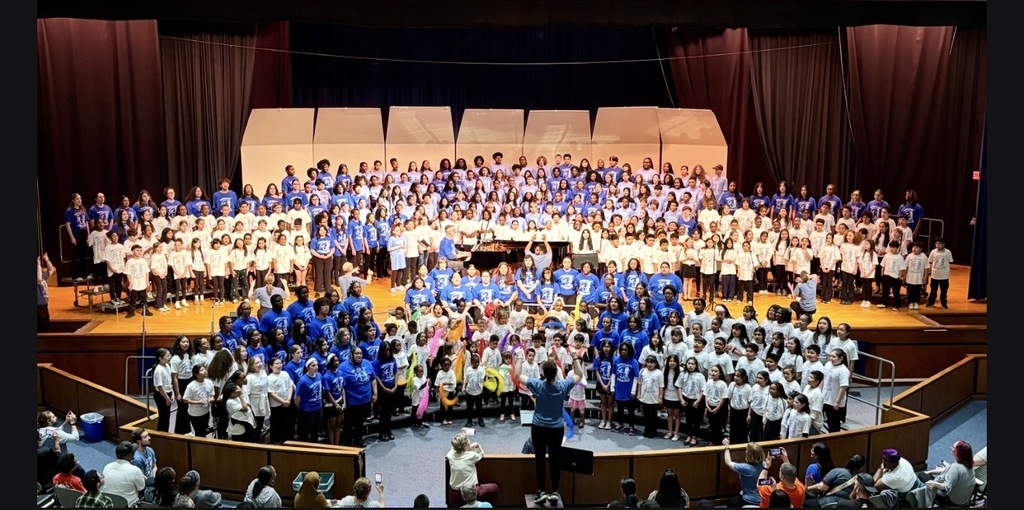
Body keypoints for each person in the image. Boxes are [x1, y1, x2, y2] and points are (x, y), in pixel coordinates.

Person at [517, 348, 585, 506]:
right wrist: (575, 358)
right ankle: (555, 491)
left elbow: (518, 375)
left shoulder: (538, 385)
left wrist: (520, 357)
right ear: (556, 372)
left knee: (539, 459)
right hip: (556, 428)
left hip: (539, 427)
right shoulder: (563, 386)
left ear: (543, 373)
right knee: (555, 459)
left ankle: (540, 491)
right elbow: (580, 374)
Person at [446, 431, 500, 507]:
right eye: (468, 442)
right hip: (471, 491)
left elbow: (455, 449)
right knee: (494, 488)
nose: (469, 442)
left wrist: (467, 448)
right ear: (465, 446)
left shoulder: (450, 454)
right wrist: (477, 446)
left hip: (454, 493)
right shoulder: (471, 456)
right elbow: (481, 454)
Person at [916, 440, 975, 507]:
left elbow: (946, 487)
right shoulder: (969, 464)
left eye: (953, 447)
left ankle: (925, 497)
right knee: (929, 474)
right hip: (964, 500)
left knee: (922, 475)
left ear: (957, 452)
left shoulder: (955, 467)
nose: (951, 448)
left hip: (951, 501)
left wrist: (934, 483)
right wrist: (930, 471)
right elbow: (948, 469)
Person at [720, 438, 765, 507]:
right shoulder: (765, 465)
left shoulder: (747, 468)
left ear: (749, 456)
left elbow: (728, 462)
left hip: (749, 499)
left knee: (730, 503)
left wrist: (726, 446)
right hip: (762, 498)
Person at [101, 441, 146, 507]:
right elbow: (141, 489)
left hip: (108, 504)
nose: (134, 452)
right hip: (128, 505)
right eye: (133, 451)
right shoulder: (135, 470)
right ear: (128, 455)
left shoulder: (107, 466)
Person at [925, 238, 952, 309]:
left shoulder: (948, 252)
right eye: (936, 243)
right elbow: (930, 262)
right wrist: (929, 271)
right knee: (933, 290)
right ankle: (930, 303)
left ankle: (943, 304)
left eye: (939, 243)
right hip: (935, 275)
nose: (937, 245)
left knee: (944, 291)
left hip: (944, 276)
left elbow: (950, 261)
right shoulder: (933, 252)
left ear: (943, 244)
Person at [38, 253, 55, 333]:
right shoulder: (38, 279)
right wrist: (38, 264)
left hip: (44, 306)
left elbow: (51, 270)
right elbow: (38, 279)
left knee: (45, 325)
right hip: (38, 306)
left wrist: (47, 260)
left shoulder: (42, 276)